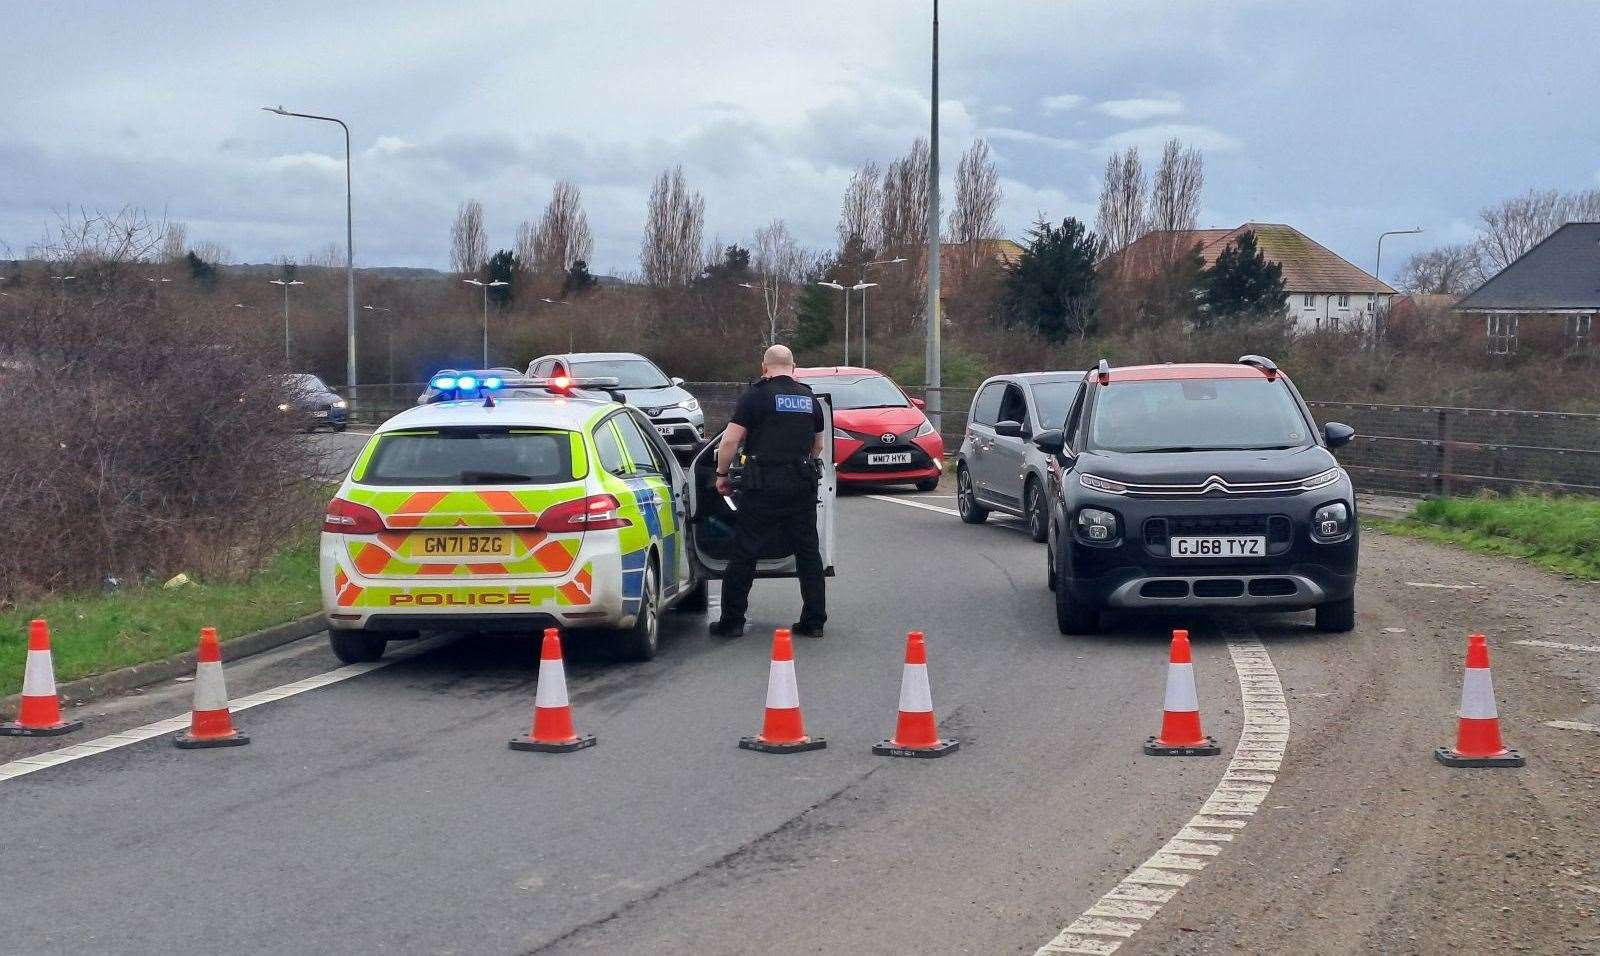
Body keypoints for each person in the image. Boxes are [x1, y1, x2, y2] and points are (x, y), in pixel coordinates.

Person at [708, 345, 827, 638]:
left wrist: (722, 475)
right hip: (801, 484)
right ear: (794, 367)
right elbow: (819, 446)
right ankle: (814, 621)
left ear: (764, 367)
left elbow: (729, 442)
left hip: (762, 485)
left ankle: (733, 621)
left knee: (745, 552)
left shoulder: (755, 397)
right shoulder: (809, 399)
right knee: (808, 552)